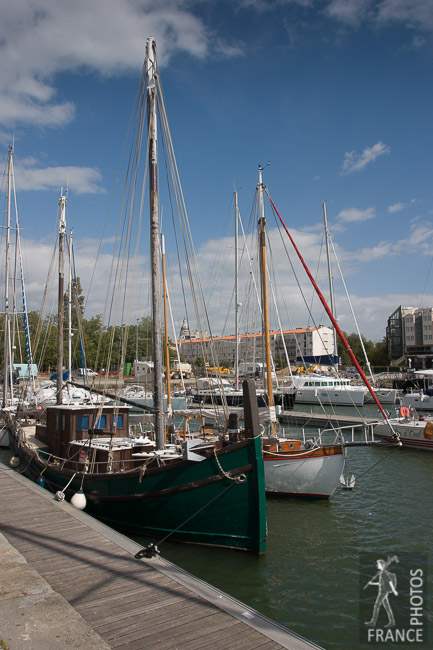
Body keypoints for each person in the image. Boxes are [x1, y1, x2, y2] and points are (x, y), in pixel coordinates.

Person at [365, 558, 398, 628]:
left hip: (383, 592)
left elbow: (389, 581)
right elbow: (380, 583)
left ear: (382, 565)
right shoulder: (382, 573)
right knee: (387, 606)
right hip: (383, 591)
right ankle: (392, 622)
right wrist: (372, 583)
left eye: (378, 564)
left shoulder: (383, 573)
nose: (377, 565)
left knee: (376, 605)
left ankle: (373, 622)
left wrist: (394, 590)